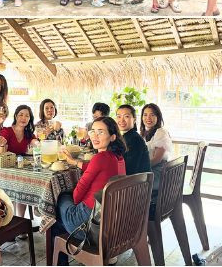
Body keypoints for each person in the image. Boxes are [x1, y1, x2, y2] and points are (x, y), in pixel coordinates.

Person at [54, 117, 126, 265]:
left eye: (101, 132)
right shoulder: (117, 158)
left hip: (88, 224)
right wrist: (75, 163)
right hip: (110, 221)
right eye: (93, 131)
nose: (94, 136)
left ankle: (60, 260)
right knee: (63, 199)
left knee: (58, 198)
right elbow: (97, 168)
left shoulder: (99, 158)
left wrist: (72, 195)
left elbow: (76, 196)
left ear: (112, 137)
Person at [115, 105, 151, 175]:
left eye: (126, 116)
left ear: (134, 120)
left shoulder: (134, 139)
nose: (121, 120)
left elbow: (130, 169)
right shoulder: (128, 136)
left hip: (137, 184)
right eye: (119, 116)